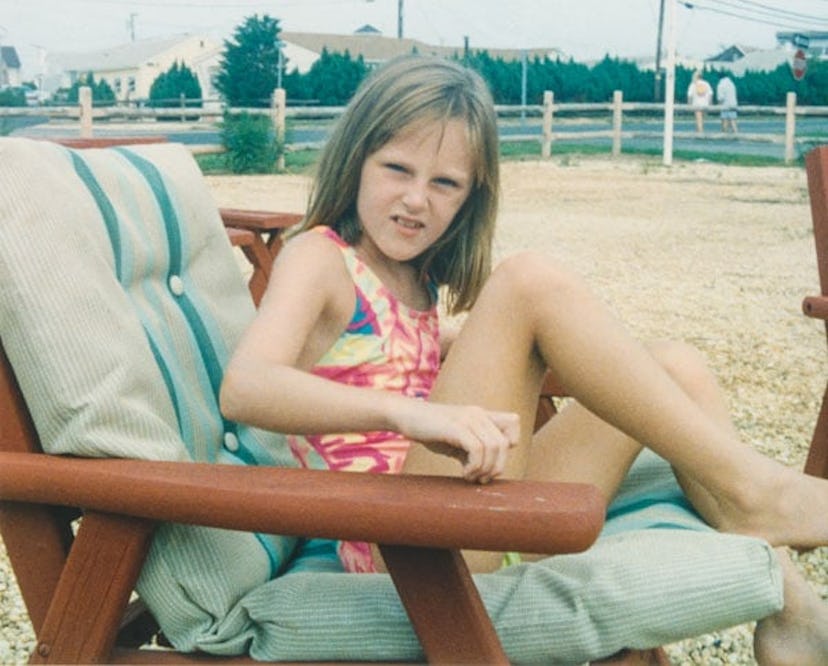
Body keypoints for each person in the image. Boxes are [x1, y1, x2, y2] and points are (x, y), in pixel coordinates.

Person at [221, 55, 828, 663]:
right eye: (396, 169)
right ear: (355, 160)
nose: (415, 200)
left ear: (470, 198)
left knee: (676, 364)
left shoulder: (413, 277)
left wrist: (455, 351)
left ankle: (786, 595)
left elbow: (376, 356)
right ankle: (757, 492)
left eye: (444, 183)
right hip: (397, 547)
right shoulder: (319, 257)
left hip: (469, 512)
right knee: (527, 283)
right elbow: (247, 386)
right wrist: (408, 414)